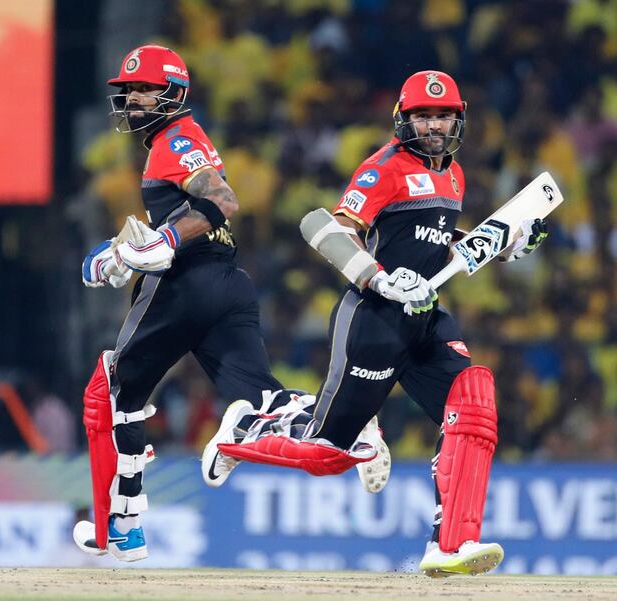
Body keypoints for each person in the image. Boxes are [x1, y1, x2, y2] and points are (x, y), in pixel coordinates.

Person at [205, 70, 548, 577]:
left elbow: (437, 242)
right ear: (403, 120)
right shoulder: (383, 166)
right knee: (327, 455)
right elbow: (329, 227)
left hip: (425, 317)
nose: (434, 126)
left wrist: (502, 246)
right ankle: (246, 429)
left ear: (459, 119)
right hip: (374, 319)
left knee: (473, 404)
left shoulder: (454, 174)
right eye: (423, 116)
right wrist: (382, 280)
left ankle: (449, 544)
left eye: (443, 116)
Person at [73, 44, 284, 562]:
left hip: (184, 284)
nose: (134, 99)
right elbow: (190, 213)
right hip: (228, 283)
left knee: (111, 391)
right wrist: (124, 250)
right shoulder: (173, 141)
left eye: (145, 89)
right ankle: (349, 434)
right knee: (266, 403)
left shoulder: (176, 136)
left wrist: (161, 244)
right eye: (129, 90)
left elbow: (223, 200)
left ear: (174, 93)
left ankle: (121, 526)